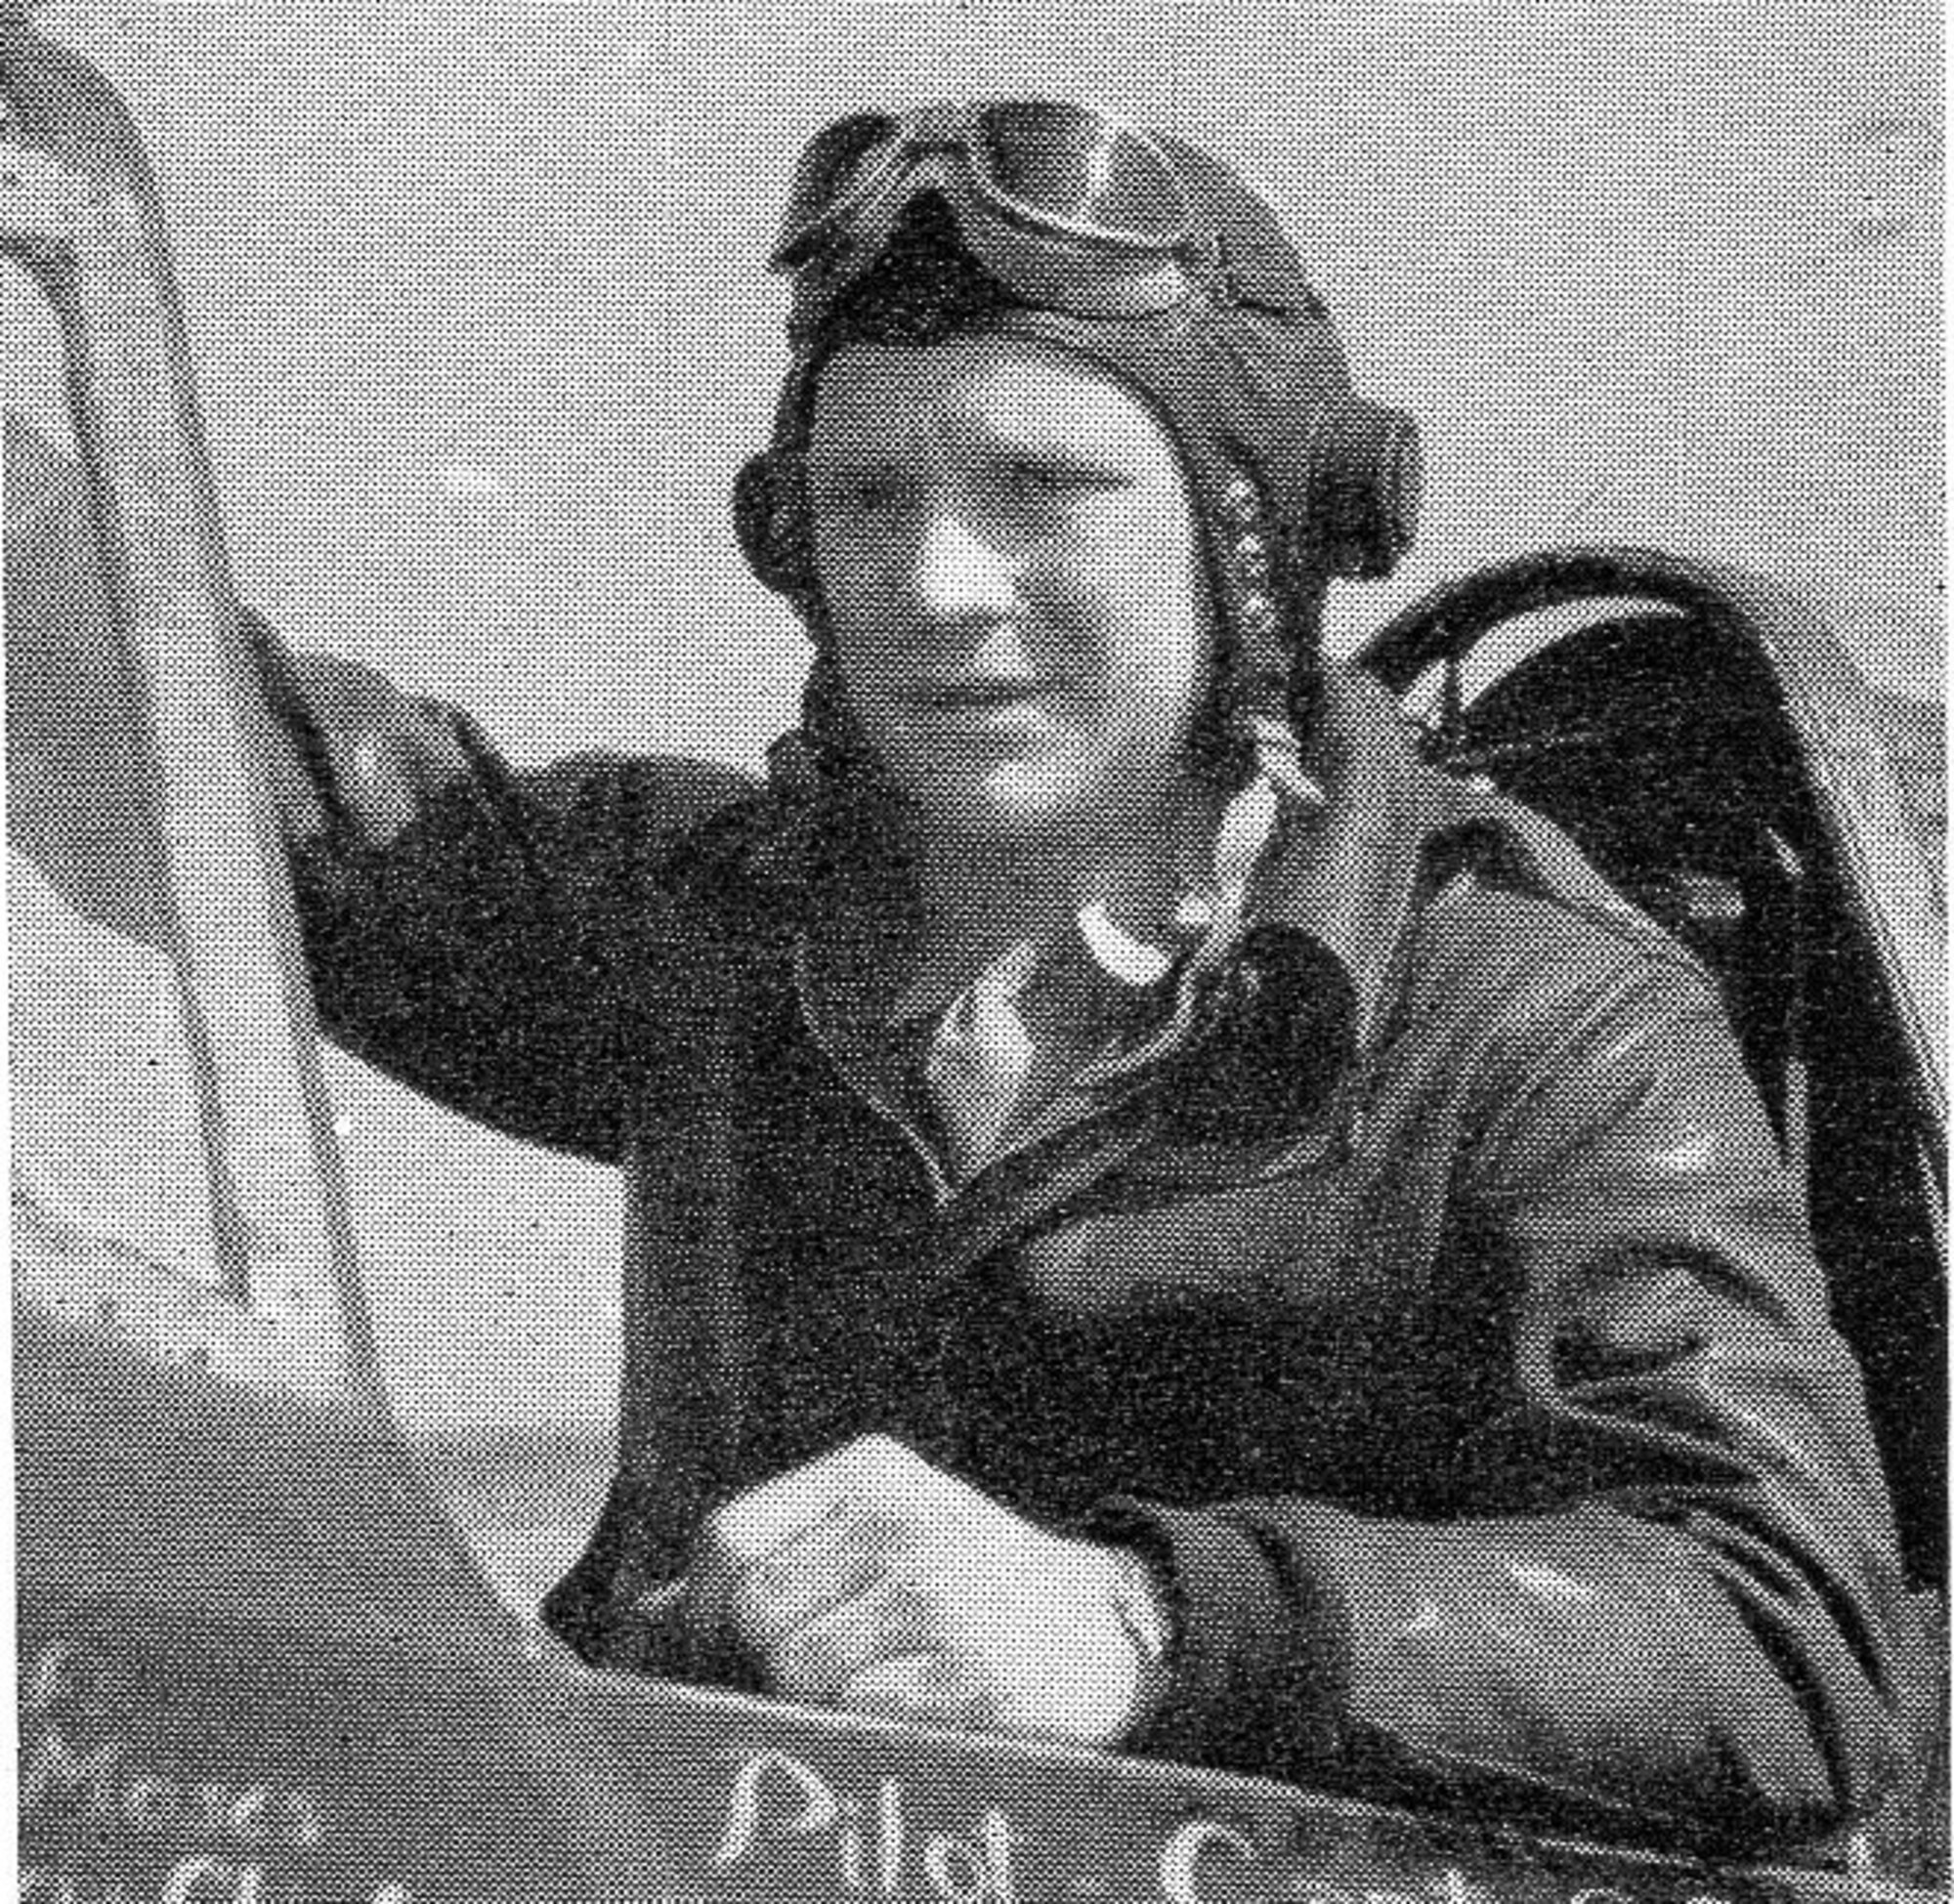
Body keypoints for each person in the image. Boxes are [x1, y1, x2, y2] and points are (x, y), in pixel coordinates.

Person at [13, 102, 1909, 1854]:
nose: (937, 583)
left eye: (1041, 484)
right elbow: (171, 749)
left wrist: (1149, 1623)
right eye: (867, 499)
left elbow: (1794, 1640)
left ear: (1250, 543)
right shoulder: (707, 921)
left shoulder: (1527, 1018)